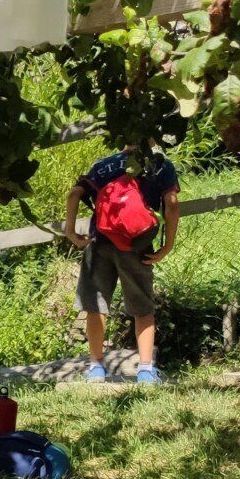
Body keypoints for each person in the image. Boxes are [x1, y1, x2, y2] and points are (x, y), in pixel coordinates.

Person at [63, 145, 181, 384]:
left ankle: (96, 368)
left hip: (99, 242)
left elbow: (74, 194)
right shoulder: (160, 165)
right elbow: (172, 204)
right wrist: (167, 245)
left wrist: (71, 232)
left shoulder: (102, 165)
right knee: (142, 307)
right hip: (137, 245)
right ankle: (145, 371)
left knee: (96, 306)